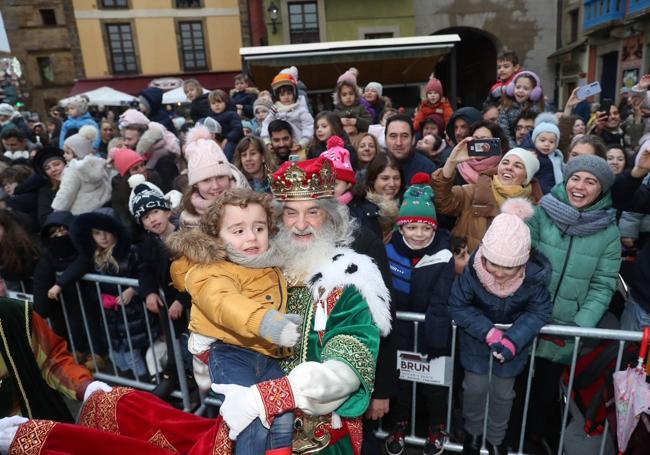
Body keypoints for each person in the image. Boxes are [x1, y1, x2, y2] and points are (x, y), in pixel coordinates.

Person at [214, 156, 392, 454]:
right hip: (250, 426)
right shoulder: (261, 270)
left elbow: (347, 369)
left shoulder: (349, 278)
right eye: (291, 213)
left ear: (331, 217)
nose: (300, 224)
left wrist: (269, 396)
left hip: (320, 439)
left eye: (313, 212)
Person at [170, 188, 298, 455]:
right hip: (231, 354)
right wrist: (268, 323)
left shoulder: (271, 262)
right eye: (238, 231)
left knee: (283, 413)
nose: (252, 237)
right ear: (216, 236)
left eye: (259, 228)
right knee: (251, 420)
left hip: (268, 355)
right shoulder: (211, 270)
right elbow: (225, 303)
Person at [525, 155, 620, 447]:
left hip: (565, 330)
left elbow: (603, 286)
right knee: (513, 389)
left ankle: (532, 442)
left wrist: (579, 326)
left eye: (590, 182)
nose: (580, 186)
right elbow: (522, 261)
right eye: (575, 178)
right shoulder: (540, 214)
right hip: (526, 320)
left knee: (544, 392)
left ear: (601, 190)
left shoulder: (609, 232)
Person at [449, 198, 552, 455]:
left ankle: (496, 439)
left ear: (523, 263)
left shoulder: (533, 280)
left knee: (504, 395)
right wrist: (489, 332)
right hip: (476, 345)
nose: (499, 272)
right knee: (474, 390)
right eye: (493, 263)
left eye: (509, 267)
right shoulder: (473, 274)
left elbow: (540, 311)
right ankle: (472, 435)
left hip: (512, 350)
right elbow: (458, 305)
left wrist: (513, 339)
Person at [383, 173, 455, 455]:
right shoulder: (389, 252)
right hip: (399, 334)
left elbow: (442, 299)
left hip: (430, 336)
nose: (419, 234)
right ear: (402, 227)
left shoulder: (443, 255)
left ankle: (436, 427)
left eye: (426, 228)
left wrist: (436, 338)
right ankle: (399, 424)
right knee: (401, 384)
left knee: (433, 388)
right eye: (412, 227)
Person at [69, 208, 158, 380]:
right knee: (117, 356)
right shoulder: (94, 257)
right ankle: (131, 387)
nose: (103, 237)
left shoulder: (131, 251)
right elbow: (90, 287)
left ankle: (144, 387)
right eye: (97, 233)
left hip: (133, 316)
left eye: (107, 232)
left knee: (133, 356)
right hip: (111, 319)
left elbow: (145, 274)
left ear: (116, 231)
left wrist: (133, 289)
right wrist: (100, 297)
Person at [432, 140, 541, 252]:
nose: (509, 167)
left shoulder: (534, 209)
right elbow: (442, 202)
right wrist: (451, 162)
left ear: (526, 177)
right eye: (505, 162)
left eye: (517, 166)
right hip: (466, 265)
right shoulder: (472, 192)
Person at [179, 125, 246, 229]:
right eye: (206, 180)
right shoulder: (187, 219)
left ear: (229, 177)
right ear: (196, 184)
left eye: (220, 177)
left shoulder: (248, 205)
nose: (215, 186)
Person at [51, 125, 111, 215]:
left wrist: (56, 211)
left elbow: (66, 193)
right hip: (99, 209)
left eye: (67, 152)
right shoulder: (98, 164)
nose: (64, 156)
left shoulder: (73, 170)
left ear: (78, 153)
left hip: (78, 213)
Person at [349, 153, 402, 243]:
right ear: (372, 180)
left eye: (396, 178)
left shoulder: (408, 203)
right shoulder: (361, 209)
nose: (392, 184)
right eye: (385, 178)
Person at [261, 72, 314, 150]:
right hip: (279, 147)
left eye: (289, 93)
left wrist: (302, 143)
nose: (286, 97)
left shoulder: (301, 110)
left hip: (299, 147)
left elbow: (309, 127)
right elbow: (266, 124)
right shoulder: (274, 110)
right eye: (282, 95)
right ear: (277, 96)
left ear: (294, 94)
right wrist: (267, 141)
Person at [454, 120, 510, 186]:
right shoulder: (459, 166)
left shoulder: (505, 167)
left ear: (496, 143)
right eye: (475, 139)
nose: (479, 144)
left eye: (484, 139)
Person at [497, 71, 543, 148]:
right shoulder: (506, 108)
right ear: (512, 88)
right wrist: (516, 149)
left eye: (526, 88)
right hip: (512, 148)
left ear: (534, 92)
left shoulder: (537, 109)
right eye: (518, 87)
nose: (520, 90)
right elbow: (504, 132)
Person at [385, 114, 436, 183]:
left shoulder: (427, 168)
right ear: (385, 139)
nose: (398, 143)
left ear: (413, 139)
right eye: (393, 136)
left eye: (404, 136)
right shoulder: (375, 166)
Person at [32, 146, 66, 226]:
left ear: (66, 163)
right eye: (47, 168)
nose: (53, 169)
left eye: (56, 164)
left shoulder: (81, 180)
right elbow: (44, 218)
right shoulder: (46, 192)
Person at [530, 113, 564, 193]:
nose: (546, 144)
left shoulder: (557, 157)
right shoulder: (533, 157)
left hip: (556, 192)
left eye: (552, 142)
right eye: (542, 140)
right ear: (535, 141)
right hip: (539, 194)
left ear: (556, 144)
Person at [333, 68, 372, 134]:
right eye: (344, 95)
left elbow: (370, 124)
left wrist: (357, 121)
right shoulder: (337, 110)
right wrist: (340, 122)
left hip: (359, 139)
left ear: (356, 94)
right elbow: (331, 126)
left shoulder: (361, 108)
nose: (348, 97)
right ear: (339, 97)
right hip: (342, 140)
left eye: (351, 93)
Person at [207, 89, 243, 161]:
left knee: (228, 149)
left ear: (226, 102)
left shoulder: (232, 114)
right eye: (213, 103)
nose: (216, 105)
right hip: (216, 142)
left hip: (232, 141)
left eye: (219, 102)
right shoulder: (210, 118)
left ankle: (227, 164)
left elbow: (237, 128)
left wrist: (227, 139)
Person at [320, 136, 356, 206]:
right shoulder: (313, 207)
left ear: (349, 184)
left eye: (335, 184)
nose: (329, 189)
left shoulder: (361, 207)